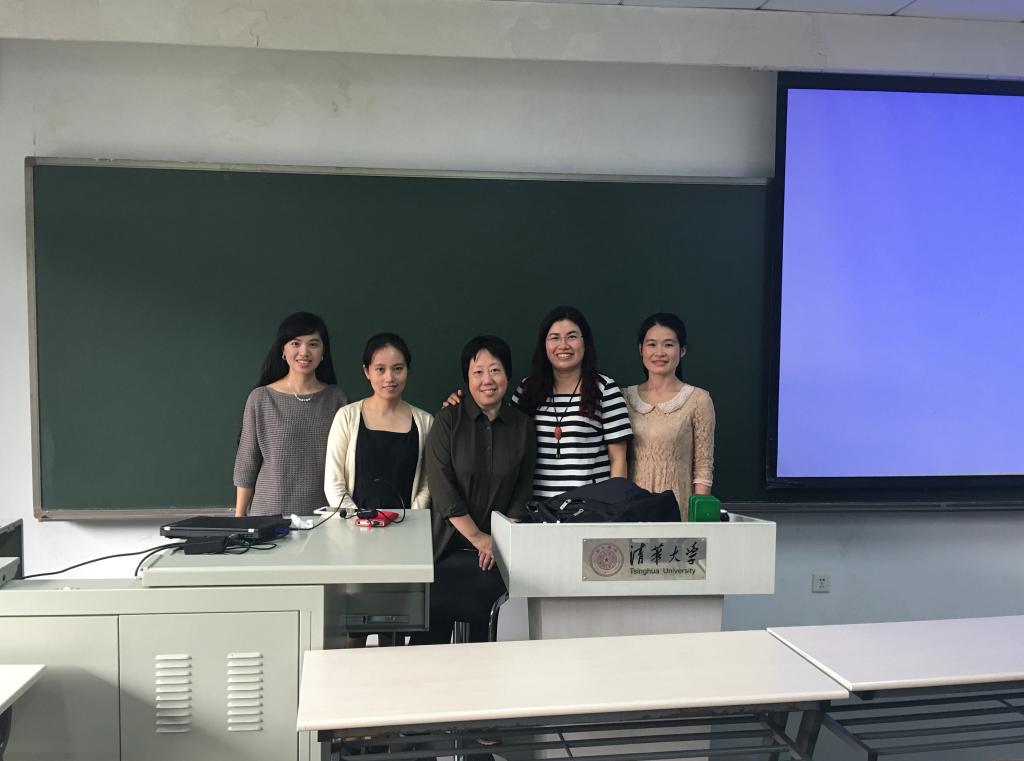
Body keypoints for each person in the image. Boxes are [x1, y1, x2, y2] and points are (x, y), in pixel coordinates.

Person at [413, 336, 535, 645]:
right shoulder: (447, 420)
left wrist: (498, 540)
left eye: (495, 370)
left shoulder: (522, 426)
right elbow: (442, 488)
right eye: (477, 372)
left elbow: (523, 491)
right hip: (444, 548)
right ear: (467, 379)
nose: (487, 380)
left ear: (507, 374)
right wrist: (479, 538)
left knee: (483, 642)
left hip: (495, 554)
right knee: (429, 643)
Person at [234, 312, 348, 517]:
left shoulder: (337, 399)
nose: (304, 352)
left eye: (313, 344)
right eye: (295, 343)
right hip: (268, 516)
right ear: (283, 350)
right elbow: (247, 462)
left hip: (324, 517)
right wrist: (239, 517)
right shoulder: (261, 398)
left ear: (323, 351)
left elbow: (347, 465)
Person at [514, 306, 632, 499]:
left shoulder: (605, 389)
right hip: (535, 510)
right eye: (554, 338)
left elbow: (618, 459)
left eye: (572, 337)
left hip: (589, 509)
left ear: (585, 343)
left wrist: (613, 506)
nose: (563, 345)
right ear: (544, 345)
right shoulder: (526, 390)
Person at [324, 333, 433, 515]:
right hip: (354, 525)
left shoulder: (425, 422)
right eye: (380, 369)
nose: (389, 378)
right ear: (367, 372)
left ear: (408, 369)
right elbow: (333, 483)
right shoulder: (346, 416)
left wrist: (411, 518)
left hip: (408, 525)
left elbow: (427, 483)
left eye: (398, 369)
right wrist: (359, 519)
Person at [623, 312, 715, 519]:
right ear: (641, 349)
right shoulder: (623, 398)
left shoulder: (698, 400)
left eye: (668, 345)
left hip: (678, 509)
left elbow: (703, 467)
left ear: (682, 350)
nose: (660, 352)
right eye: (652, 344)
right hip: (632, 510)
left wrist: (699, 519)